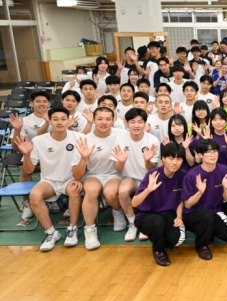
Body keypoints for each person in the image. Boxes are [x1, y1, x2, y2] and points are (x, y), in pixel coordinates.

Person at [15, 107, 84, 252]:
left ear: (68, 121)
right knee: (35, 194)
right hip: (49, 180)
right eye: (55, 119)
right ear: (49, 121)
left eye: (63, 119)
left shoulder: (79, 137)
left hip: (70, 178)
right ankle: (51, 232)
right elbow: (28, 171)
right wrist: (26, 155)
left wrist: (79, 179)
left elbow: (83, 164)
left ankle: (72, 228)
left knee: (74, 190)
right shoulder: (39, 140)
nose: (59, 122)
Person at [71, 107, 123, 250]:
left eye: (108, 119)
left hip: (115, 174)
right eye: (100, 119)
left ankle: (117, 211)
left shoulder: (121, 135)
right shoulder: (84, 139)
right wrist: (84, 158)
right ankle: (90, 229)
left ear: (113, 120)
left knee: (110, 193)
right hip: (93, 175)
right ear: (93, 120)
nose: (103, 122)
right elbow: (77, 175)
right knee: (91, 191)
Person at [182, 139, 227, 260]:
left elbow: (226, 199)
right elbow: (187, 205)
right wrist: (200, 192)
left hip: (214, 212)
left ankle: (206, 230)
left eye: (215, 151)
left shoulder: (223, 169)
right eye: (208, 152)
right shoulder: (191, 174)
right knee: (206, 215)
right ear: (200, 155)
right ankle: (201, 245)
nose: (213, 155)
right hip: (193, 215)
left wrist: (226, 188)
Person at [131, 142, 188, 266]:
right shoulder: (153, 174)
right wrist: (148, 190)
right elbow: (134, 203)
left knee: (176, 239)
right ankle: (158, 250)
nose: (175, 162)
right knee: (157, 223)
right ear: (163, 159)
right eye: (171, 158)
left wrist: (179, 217)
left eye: (178, 159)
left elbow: (180, 200)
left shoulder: (182, 175)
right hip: (146, 215)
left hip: (168, 214)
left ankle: (160, 240)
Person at [111, 108, 161, 242]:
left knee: (151, 189)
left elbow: (152, 169)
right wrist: (121, 161)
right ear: (126, 123)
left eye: (140, 122)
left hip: (148, 177)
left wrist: (147, 160)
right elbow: (117, 168)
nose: (136, 125)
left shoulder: (152, 140)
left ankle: (145, 223)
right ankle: (133, 223)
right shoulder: (120, 139)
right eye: (132, 122)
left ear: (145, 123)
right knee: (122, 191)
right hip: (130, 178)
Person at [9, 90, 51, 223]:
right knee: (24, 170)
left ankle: (57, 199)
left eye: (44, 101)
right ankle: (27, 203)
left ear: (49, 104)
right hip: (33, 154)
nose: (42, 104)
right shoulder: (25, 121)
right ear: (32, 103)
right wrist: (17, 129)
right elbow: (15, 147)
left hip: (53, 154)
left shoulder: (56, 117)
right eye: (38, 101)